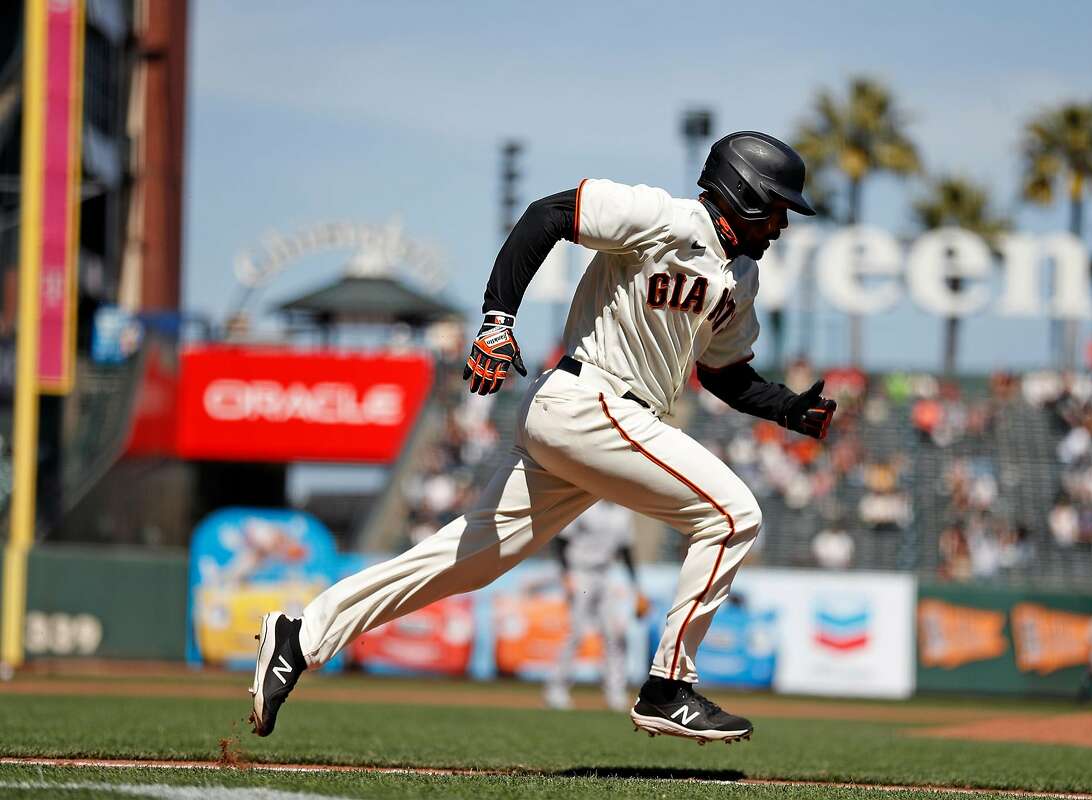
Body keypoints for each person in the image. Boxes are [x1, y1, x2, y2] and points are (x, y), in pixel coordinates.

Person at [248, 131, 835, 744]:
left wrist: (788, 408)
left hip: (600, 425)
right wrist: (498, 322)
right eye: (777, 207)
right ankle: (668, 687)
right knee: (734, 513)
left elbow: (723, 372)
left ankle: (300, 636)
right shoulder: (665, 218)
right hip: (591, 401)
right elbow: (548, 214)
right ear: (743, 195)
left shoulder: (739, 279)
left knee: (467, 561)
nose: (782, 224)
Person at [543, 500, 649, 712]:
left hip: (606, 573)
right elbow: (561, 540)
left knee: (614, 634)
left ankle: (615, 692)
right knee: (575, 633)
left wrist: (636, 586)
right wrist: (566, 574)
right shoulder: (585, 505)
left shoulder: (623, 511)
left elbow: (626, 550)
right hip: (579, 571)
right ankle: (557, 689)